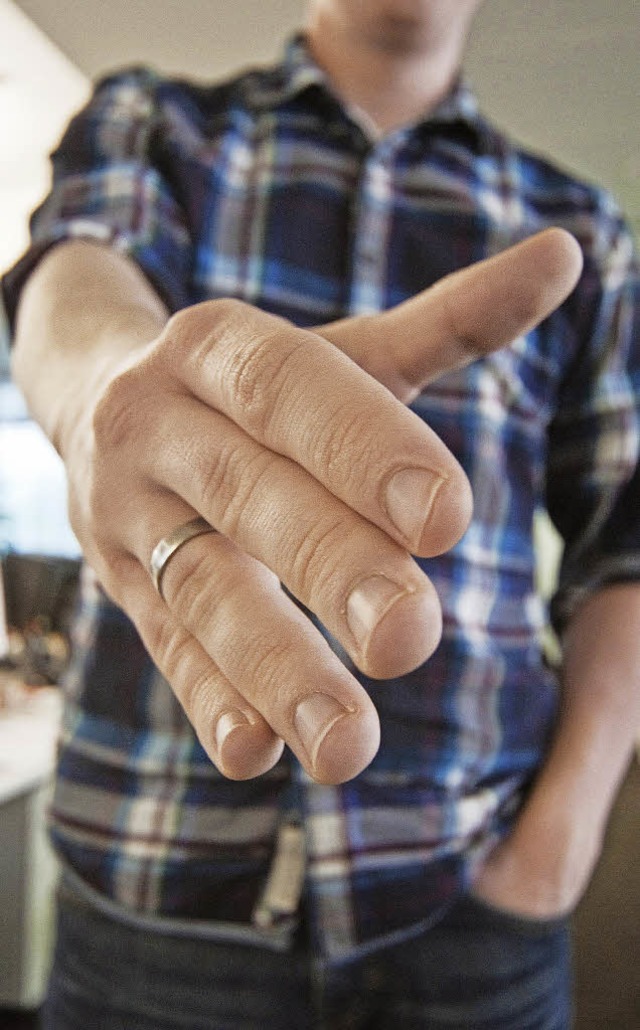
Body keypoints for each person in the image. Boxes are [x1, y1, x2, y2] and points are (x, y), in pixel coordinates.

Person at [3, 1, 639, 1026]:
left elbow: (625, 552)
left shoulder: (581, 226)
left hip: (472, 924)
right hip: (147, 916)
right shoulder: (150, 123)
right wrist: (97, 400)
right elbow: (76, 283)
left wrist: (556, 848)